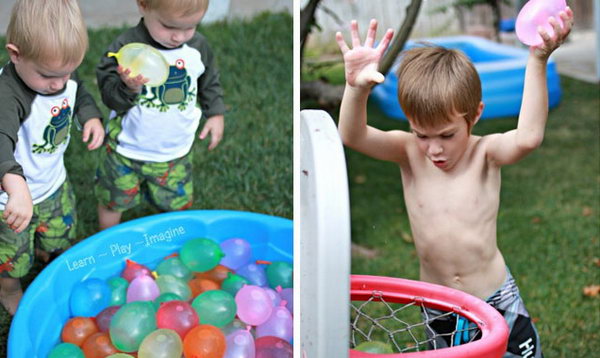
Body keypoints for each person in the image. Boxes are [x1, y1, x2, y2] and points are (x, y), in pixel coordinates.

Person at [336, 9, 572, 357]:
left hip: (494, 297)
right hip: (438, 303)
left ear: (475, 114)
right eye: (422, 134)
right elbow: (351, 134)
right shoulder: (408, 152)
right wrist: (355, 89)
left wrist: (538, 60)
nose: (433, 149)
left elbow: (529, 137)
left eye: (447, 135)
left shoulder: (485, 154)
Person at [0, 0, 104, 315]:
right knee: (12, 257)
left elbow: (78, 91)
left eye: (67, 71)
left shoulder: (57, 74)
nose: (59, 84)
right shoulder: (7, 94)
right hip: (12, 199)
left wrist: (90, 117)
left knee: (59, 232)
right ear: (15, 54)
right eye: (49, 76)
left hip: (53, 183)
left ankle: (49, 251)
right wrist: (15, 187)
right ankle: (9, 291)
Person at [95, 0, 225, 230]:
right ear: (143, 6)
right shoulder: (126, 49)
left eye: (190, 27)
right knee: (112, 200)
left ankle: (172, 240)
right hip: (126, 150)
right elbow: (109, 96)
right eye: (169, 27)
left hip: (175, 152)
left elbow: (209, 81)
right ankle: (107, 240)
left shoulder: (197, 47)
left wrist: (215, 113)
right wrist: (128, 87)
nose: (179, 37)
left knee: (177, 205)